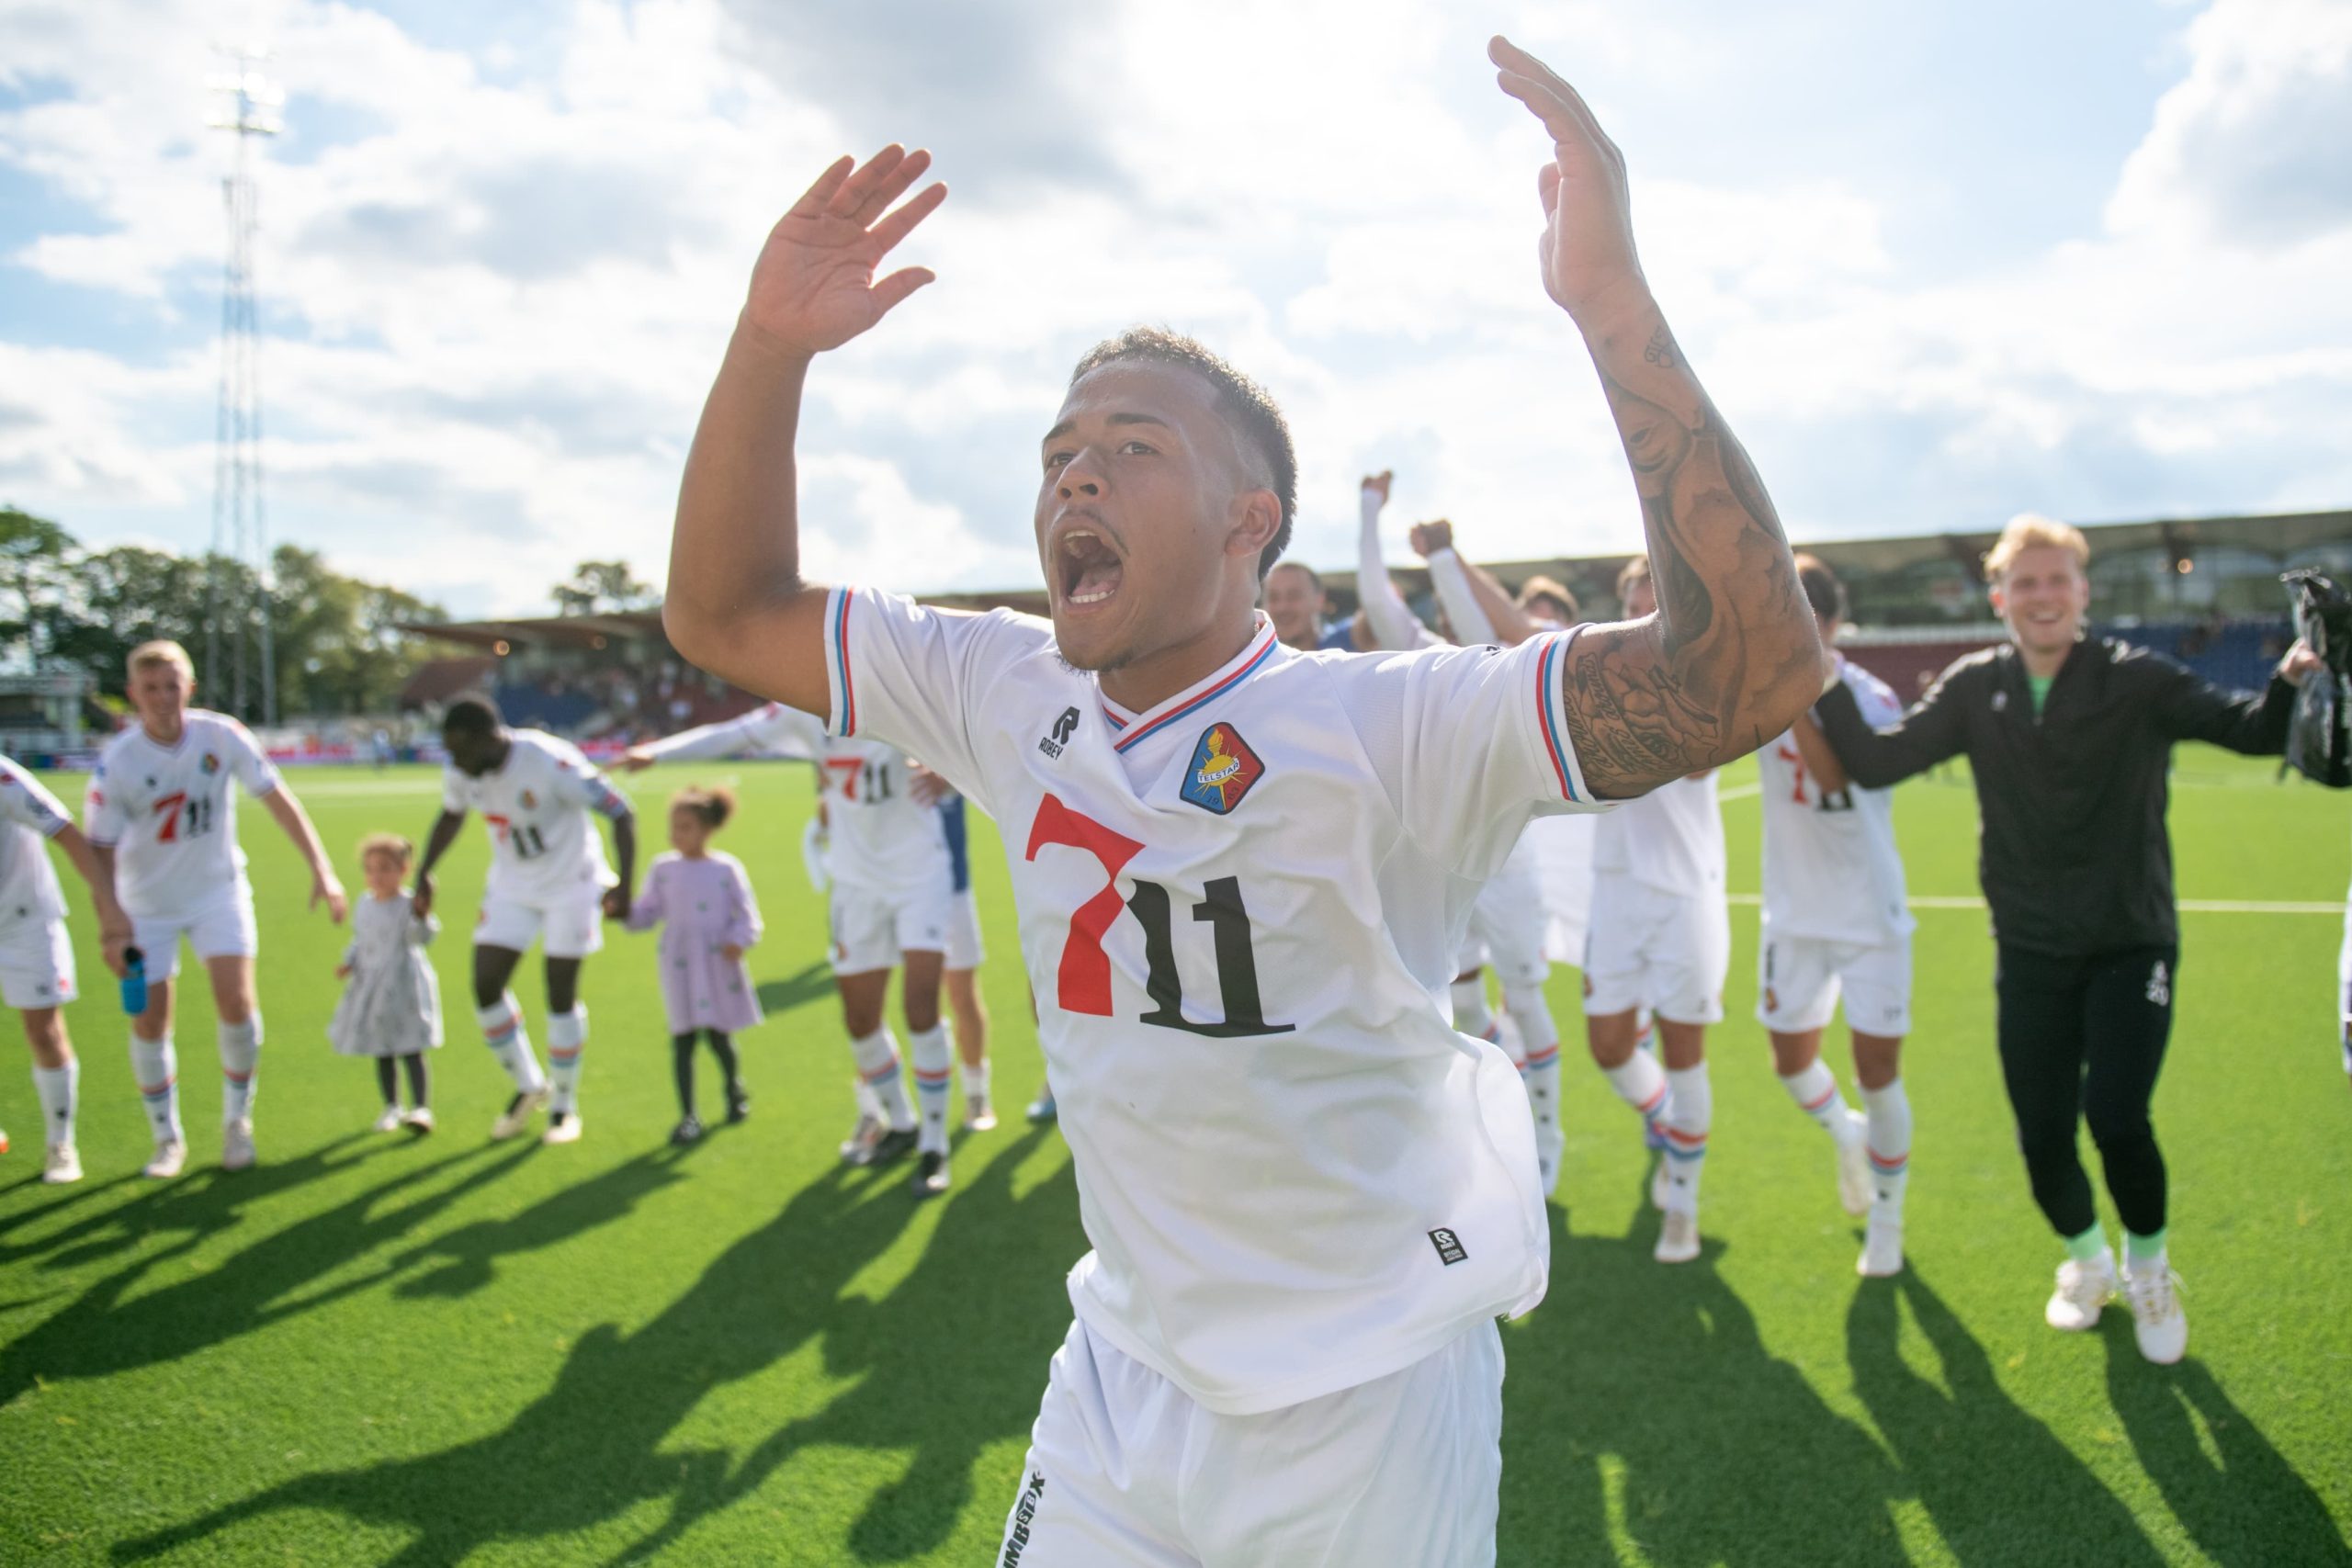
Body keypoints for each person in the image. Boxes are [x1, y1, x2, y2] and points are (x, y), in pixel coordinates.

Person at [662, 36, 1823, 1562]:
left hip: (1369, 1394)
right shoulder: (1005, 686)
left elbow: (1745, 671)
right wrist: (768, 345)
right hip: (1120, 1377)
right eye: (1060, 455)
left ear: (1247, 520)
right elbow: (725, 610)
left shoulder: (1388, 724)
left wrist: (1611, 307)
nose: (1075, 480)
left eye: (1130, 452)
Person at [1815, 513, 2322, 1365]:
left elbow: (2252, 731)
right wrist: (1819, 673)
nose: (2043, 596)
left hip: (2132, 942)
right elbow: (1874, 760)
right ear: (2000, 597)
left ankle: (2149, 1267)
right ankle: (2088, 1262)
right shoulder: (1977, 685)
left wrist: (2292, 676)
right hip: (2031, 949)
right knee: (2042, 1133)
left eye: (2058, 581)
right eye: (2027, 582)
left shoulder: (2136, 677)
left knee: (2116, 1116)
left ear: (2083, 592)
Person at [621, 700, 965, 1193]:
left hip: (919, 874)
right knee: (860, 1021)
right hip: (854, 883)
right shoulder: (802, 709)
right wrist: (657, 753)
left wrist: (950, 774)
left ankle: (935, 1144)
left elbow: (970, 725)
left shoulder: (897, 690)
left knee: (920, 1010)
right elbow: (733, 732)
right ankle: (902, 1124)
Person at [83, 641, 348, 1178]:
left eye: (172, 685)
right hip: (146, 908)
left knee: (237, 1002)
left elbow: (277, 799)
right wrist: (112, 924)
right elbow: (99, 853)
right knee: (151, 1020)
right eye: (151, 688)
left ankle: (236, 1124)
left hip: (217, 893)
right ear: (133, 695)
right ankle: (166, 1138)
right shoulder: (118, 765)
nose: (163, 697)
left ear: (191, 686)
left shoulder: (221, 735)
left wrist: (322, 868)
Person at [1754, 556, 1914, 1277]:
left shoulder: (1869, 696)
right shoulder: (1756, 691)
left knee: (1877, 1072)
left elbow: (1835, 778)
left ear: (1828, 624)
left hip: (1866, 912)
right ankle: (1844, 1134)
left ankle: (1888, 1216)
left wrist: (1791, 692)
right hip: (1792, 911)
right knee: (1790, 1062)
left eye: (1799, 619)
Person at [1578, 557, 1730, 1265]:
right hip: (1615, 885)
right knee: (1608, 1043)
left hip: (1683, 893)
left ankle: (1687, 1207)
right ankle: (1671, 1126)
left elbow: (1696, 762)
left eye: (1660, 598)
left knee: (1684, 1051)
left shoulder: (1707, 682)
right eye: (1638, 599)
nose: (1648, 611)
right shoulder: (1599, 677)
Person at [415, 694, 634, 1146]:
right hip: (512, 886)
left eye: (461, 752)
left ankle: (564, 1108)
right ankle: (530, 1084)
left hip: (572, 884)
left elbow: (619, 810)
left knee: (559, 993)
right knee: (486, 985)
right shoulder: (463, 770)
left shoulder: (550, 761)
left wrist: (624, 887)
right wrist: (424, 872)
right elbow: (452, 815)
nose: (455, 763)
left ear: (488, 738)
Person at [0, 754, 132, 1182]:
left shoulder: (4, 777)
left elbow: (68, 835)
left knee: (44, 1031)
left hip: (25, 922)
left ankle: (61, 1143)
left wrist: (109, 909)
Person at [626, 785, 761, 1145]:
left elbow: (748, 915)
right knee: (682, 1038)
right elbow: (646, 913)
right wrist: (622, 910)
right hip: (680, 962)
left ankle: (734, 1089)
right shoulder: (663, 868)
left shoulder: (725, 868)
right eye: (674, 827)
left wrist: (739, 939)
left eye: (685, 827)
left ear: (706, 830)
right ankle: (688, 1115)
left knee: (719, 1036)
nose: (676, 835)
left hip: (716, 959)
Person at [328, 833, 442, 1134]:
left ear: (403, 871)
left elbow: (421, 938)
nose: (376, 876)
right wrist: (349, 961)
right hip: (372, 985)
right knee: (382, 1046)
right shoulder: (365, 903)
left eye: (385, 869)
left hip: (404, 984)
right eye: (370, 869)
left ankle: (421, 1107)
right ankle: (392, 1105)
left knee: (411, 1045)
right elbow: (361, 939)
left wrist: (422, 913)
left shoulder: (408, 905)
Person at [1261, 559, 1355, 652]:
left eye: (1294, 596)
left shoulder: (1345, 643)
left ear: (1319, 600)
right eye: (1273, 598)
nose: (1282, 607)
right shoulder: (1255, 657)